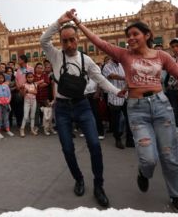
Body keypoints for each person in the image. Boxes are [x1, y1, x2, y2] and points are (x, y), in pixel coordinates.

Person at [68, 9, 178, 213]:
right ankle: (144, 173)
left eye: (135, 34)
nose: (131, 38)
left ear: (147, 35)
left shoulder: (161, 55)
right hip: (138, 110)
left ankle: (176, 195)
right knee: (148, 159)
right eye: (129, 35)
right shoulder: (124, 55)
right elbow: (99, 42)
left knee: (170, 156)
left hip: (162, 107)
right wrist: (78, 23)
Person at [40, 11, 125, 208]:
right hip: (61, 109)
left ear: (78, 39)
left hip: (82, 106)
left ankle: (99, 185)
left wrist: (117, 91)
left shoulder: (86, 60)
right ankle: (78, 179)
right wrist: (58, 21)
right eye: (64, 41)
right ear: (60, 42)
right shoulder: (54, 56)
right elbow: (43, 40)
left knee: (95, 145)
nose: (69, 45)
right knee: (67, 149)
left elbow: (100, 79)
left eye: (72, 40)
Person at [101, 58, 134, 149]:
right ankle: (117, 139)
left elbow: (128, 77)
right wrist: (125, 78)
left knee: (129, 119)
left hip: (125, 96)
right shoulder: (107, 66)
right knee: (116, 120)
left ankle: (129, 140)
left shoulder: (122, 65)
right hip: (114, 97)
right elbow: (112, 76)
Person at [164, 38, 178, 123]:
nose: (175, 48)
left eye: (177, 46)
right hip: (171, 89)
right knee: (174, 111)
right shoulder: (171, 59)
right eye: (173, 47)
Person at [0, 73, 14, 139]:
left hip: (7, 103)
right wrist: (0, 102)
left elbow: (9, 94)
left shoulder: (6, 86)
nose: (0, 79)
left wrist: (8, 101)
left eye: (2, 78)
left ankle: (7, 130)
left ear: (4, 78)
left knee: (6, 117)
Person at [20, 72, 38, 137]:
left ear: (33, 77)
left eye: (31, 77)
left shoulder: (35, 84)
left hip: (34, 101)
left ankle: (32, 129)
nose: (30, 78)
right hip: (27, 101)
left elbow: (36, 92)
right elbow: (22, 94)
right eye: (29, 77)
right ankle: (22, 129)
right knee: (25, 116)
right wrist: (22, 89)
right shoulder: (24, 85)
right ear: (26, 78)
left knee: (32, 116)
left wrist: (28, 91)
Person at [33, 62, 50, 129]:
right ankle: (36, 125)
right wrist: (40, 82)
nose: (39, 69)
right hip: (36, 97)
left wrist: (37, 84)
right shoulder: (33, 75)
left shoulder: (45, 75)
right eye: (38, 68)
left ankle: (45, 125)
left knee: (45, 112)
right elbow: (32, 84)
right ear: (35, 68)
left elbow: (47, 83)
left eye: (41, 68)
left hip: (44, 96)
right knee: (36, 111)